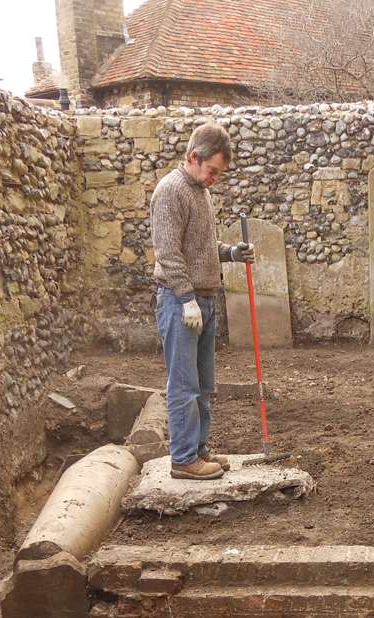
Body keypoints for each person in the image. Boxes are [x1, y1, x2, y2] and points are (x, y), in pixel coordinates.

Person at [149, 122, 255, 480]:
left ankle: (199, 449)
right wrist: (186, 298)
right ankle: (183, 458)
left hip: (204, 300)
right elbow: (169, 252)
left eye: (219, 174)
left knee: (204, 383)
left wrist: (231, 253)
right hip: (181, 303)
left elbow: (201, 249)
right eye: (212, 171)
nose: (215, 179)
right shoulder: (170, 191)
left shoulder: (200, 192)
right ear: (194, 157)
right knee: (183, 384)